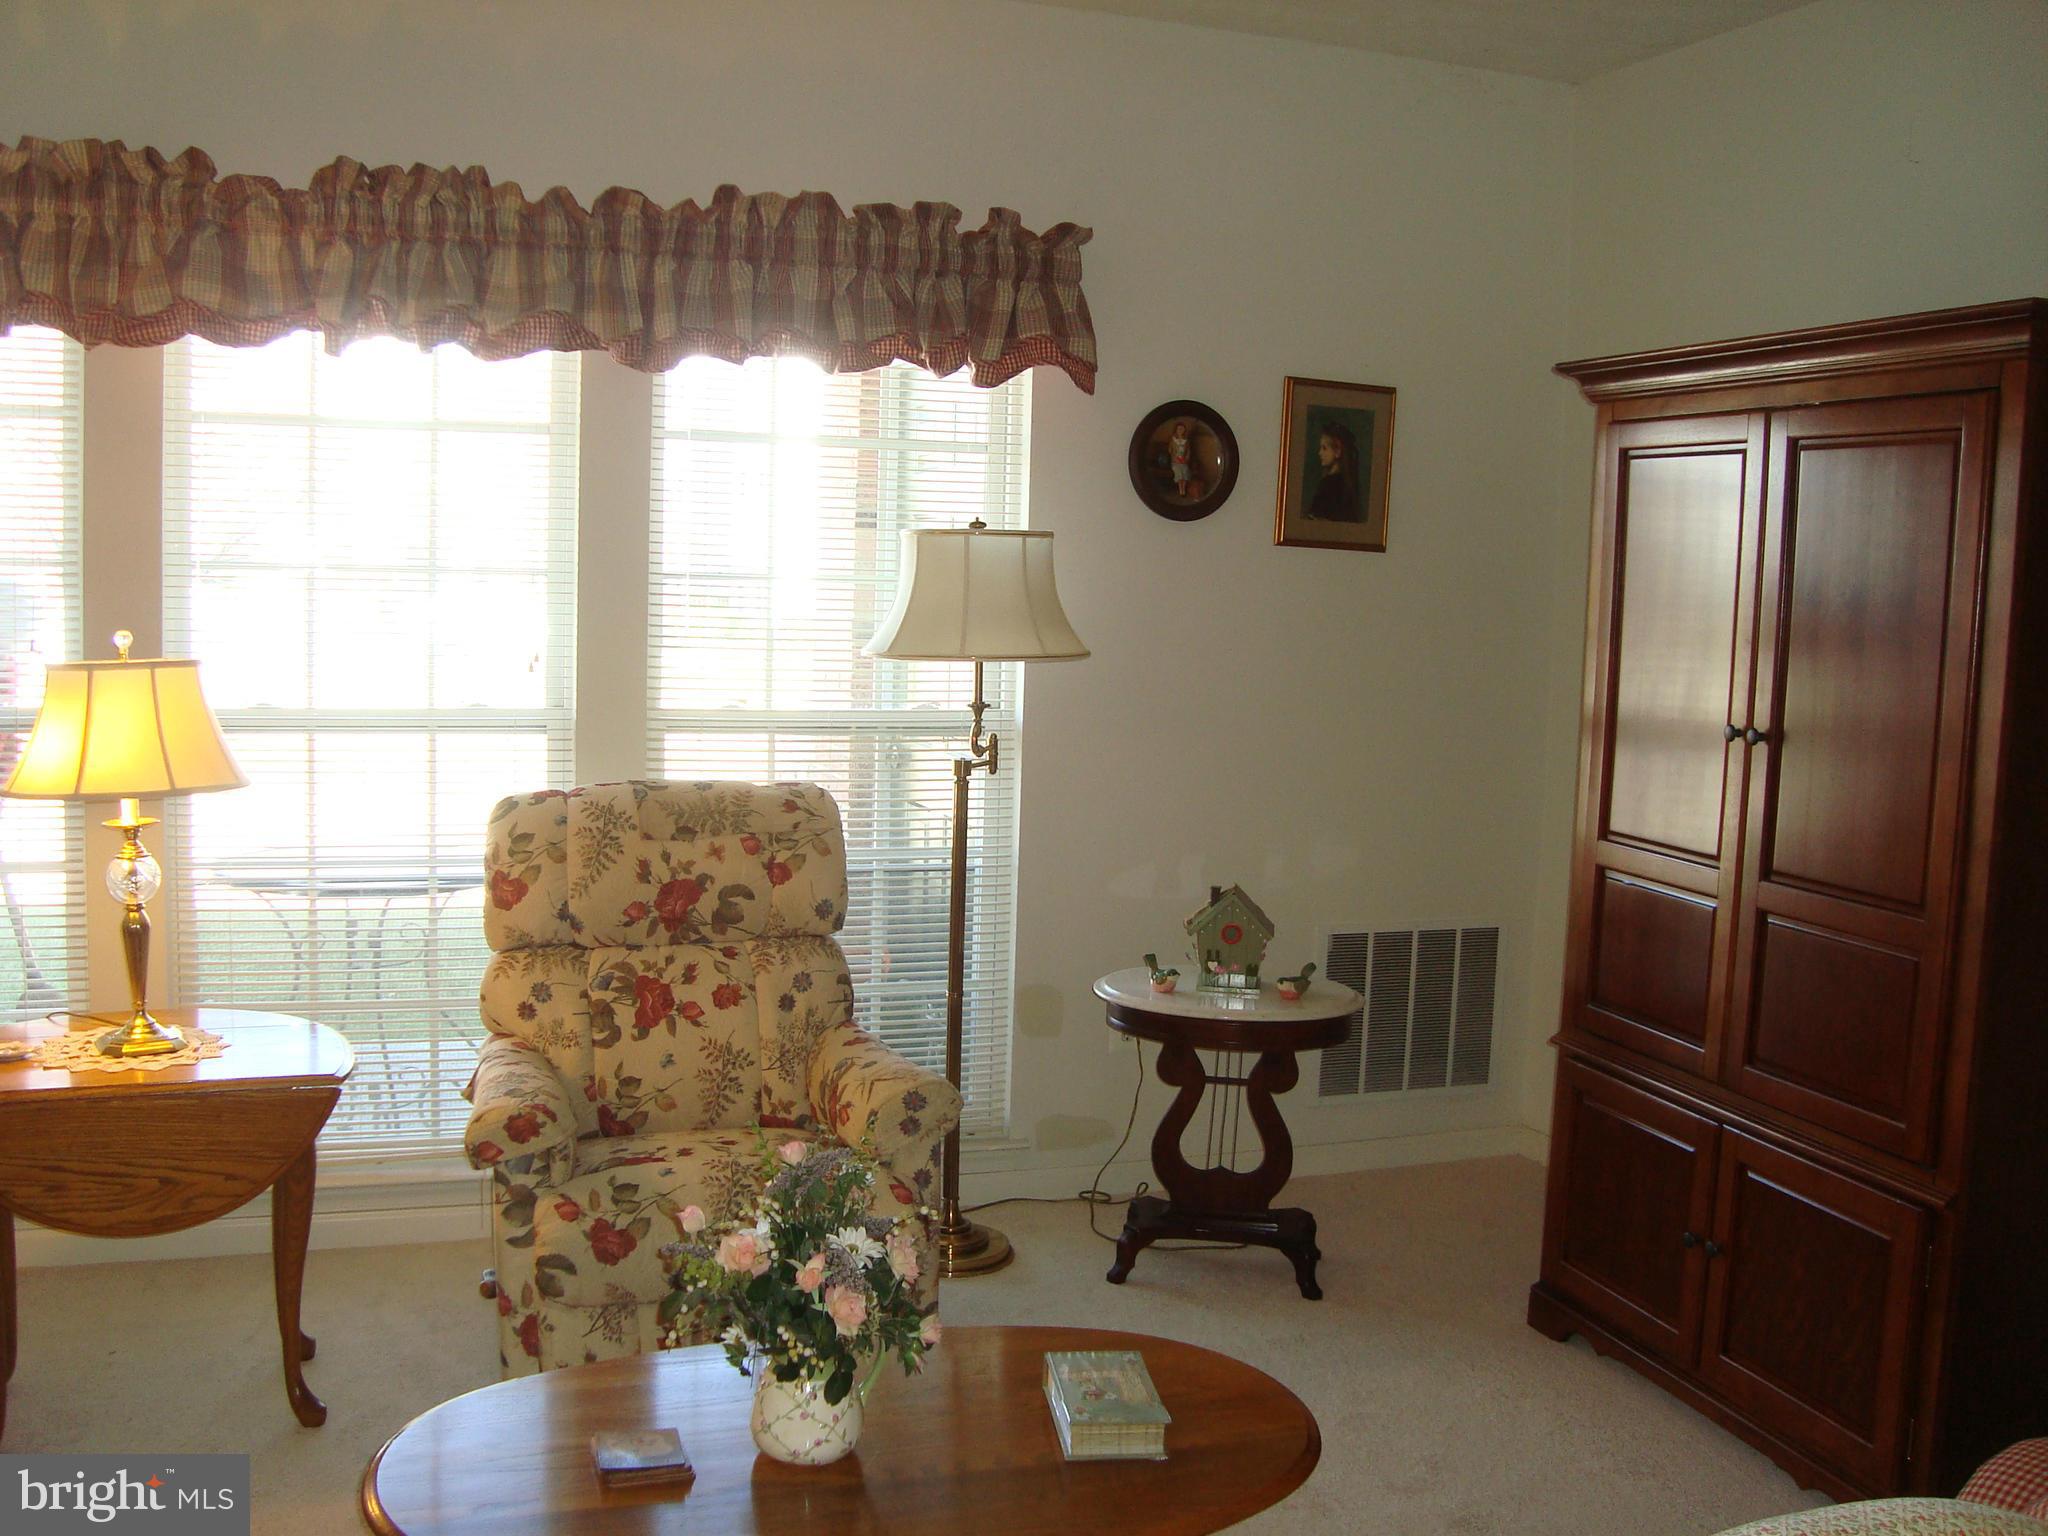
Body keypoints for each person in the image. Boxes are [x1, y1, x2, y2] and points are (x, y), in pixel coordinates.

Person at [1305, 418, 1362, 522]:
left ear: (1337, 452)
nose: (1320, 453)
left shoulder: (1328, 484)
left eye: (1324, 448)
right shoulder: (1348, 483)